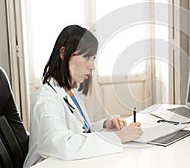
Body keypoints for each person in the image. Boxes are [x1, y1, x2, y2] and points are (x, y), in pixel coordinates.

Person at [24, 25, 143, 168]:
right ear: (63, 53)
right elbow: (62, 145)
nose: (92, 66)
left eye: (93, 58)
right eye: (87, 57)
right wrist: (118, 138)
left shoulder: (71, 92)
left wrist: (104, 125)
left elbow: (79, 132)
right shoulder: (46, 99)